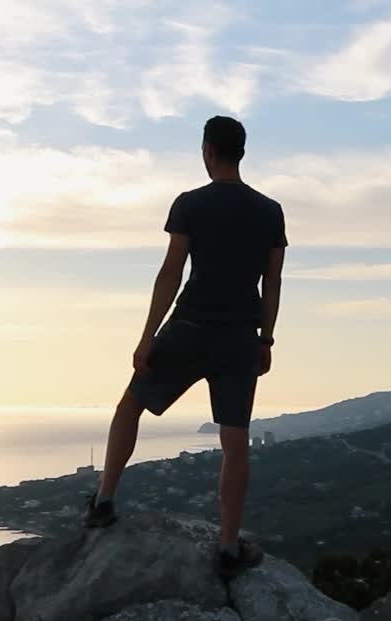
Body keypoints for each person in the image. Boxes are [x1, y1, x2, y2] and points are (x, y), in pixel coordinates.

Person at [82, 115, 286, 579]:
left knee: (129, 406)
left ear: (208, 150)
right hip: (240, 336)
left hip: (190, 326)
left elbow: (171, 272)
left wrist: (147, 335)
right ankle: (229, 548)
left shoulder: (191, 204)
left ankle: (103, 502)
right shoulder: (270, 211)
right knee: (235, 441)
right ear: (241, 151)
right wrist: (266, 338)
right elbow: (272, 281)